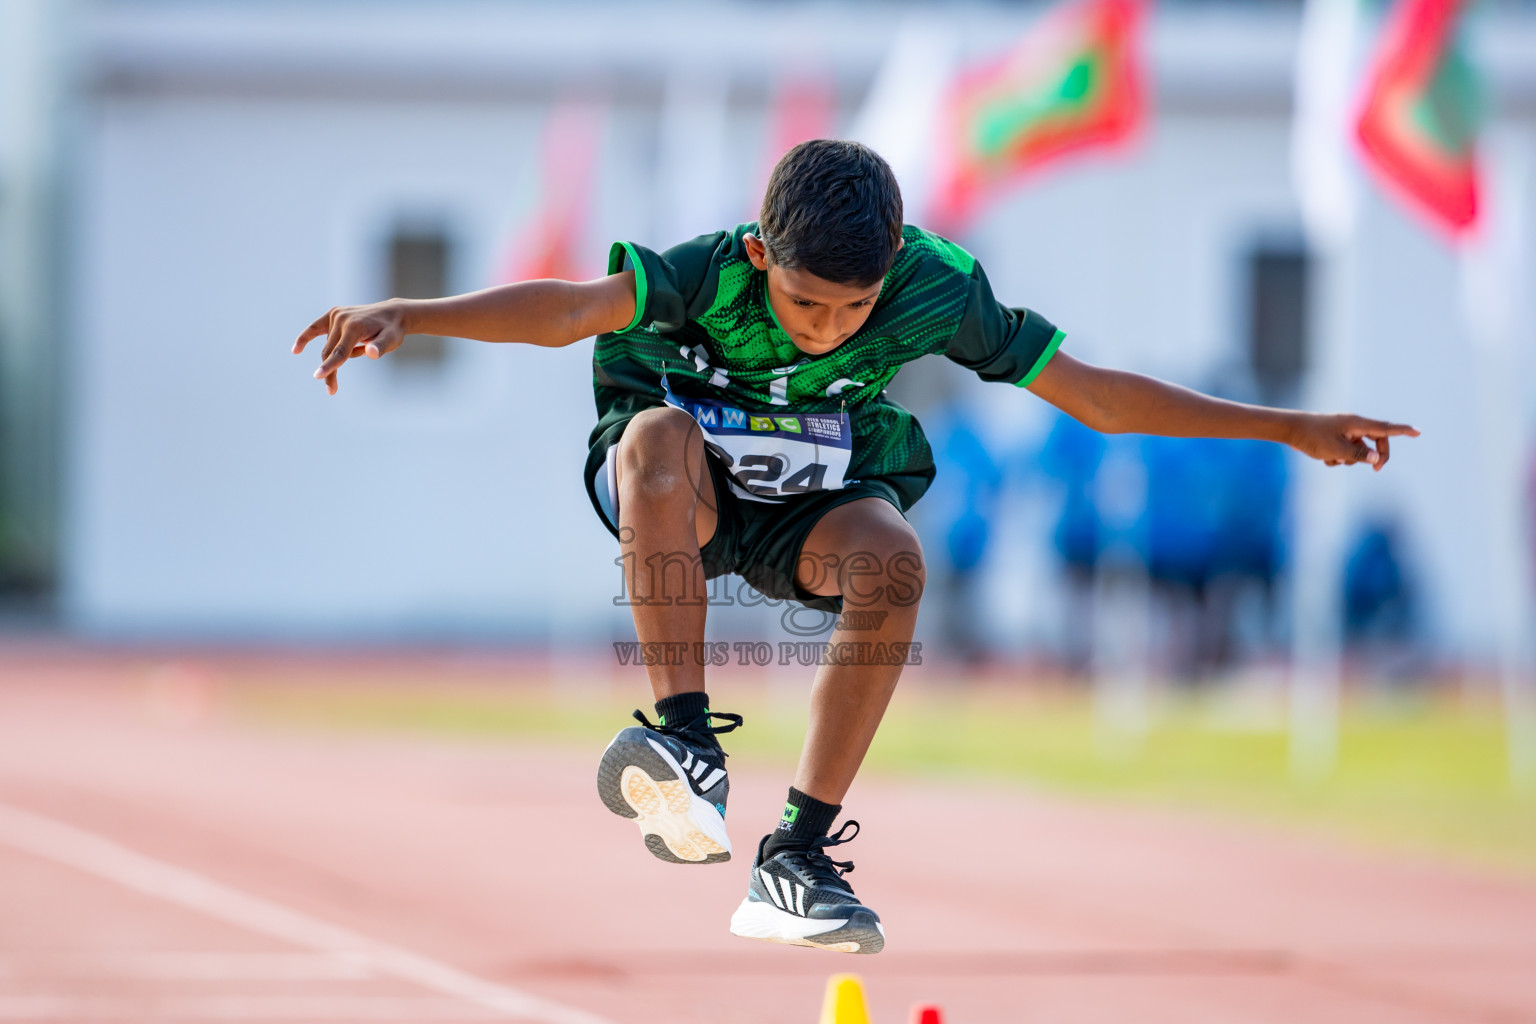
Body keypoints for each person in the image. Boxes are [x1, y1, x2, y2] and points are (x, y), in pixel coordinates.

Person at [293, 140, 1418, 955]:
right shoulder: (708, 272)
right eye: (804, 301)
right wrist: (417, 312)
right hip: (678, 495)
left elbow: (1097, 395)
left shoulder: (936, 289)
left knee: (895, 564)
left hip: (807, 507)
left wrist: (1287, 426)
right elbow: (571, 309)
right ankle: (684, 744)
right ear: (758, 253)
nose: (826, 325)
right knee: (655, 437)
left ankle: (796, 856)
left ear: (893, 270)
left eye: (852, 306)